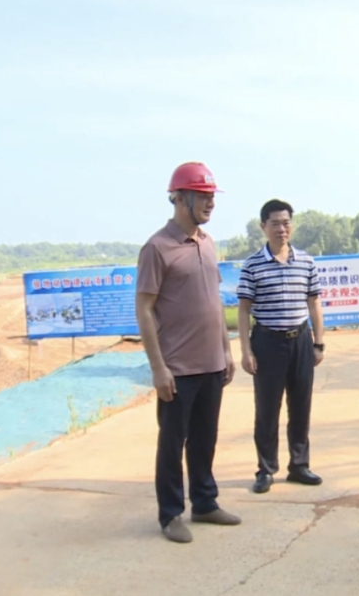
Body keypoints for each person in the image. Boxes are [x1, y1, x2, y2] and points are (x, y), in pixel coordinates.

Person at [135, 161, 240, 544]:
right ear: (179, 198)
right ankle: (170, 514)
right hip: (177, 368)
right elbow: (144, 309)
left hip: (212, 363)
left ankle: (205, 503)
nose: (211, 203)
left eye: (212, 196)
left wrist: (226, 351)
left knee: (205, 438)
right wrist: (158, 368)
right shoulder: (157, 248)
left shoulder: (208, 243)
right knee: (172, 443)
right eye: (203, 196)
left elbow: (213, 301)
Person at [237, 199, 325, 494]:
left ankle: (299, 465)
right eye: (274, 223)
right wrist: (246, 350)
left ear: (292, 225)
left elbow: (314, 303)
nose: (281, 229)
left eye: (286, 223)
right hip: (267, 342)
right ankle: (266, 469)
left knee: (300, 406)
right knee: (267, 409)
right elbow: (243, 310)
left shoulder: (306, 262)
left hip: (300, 341)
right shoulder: (252, 265)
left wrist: (318, 343)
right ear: (263, 227)